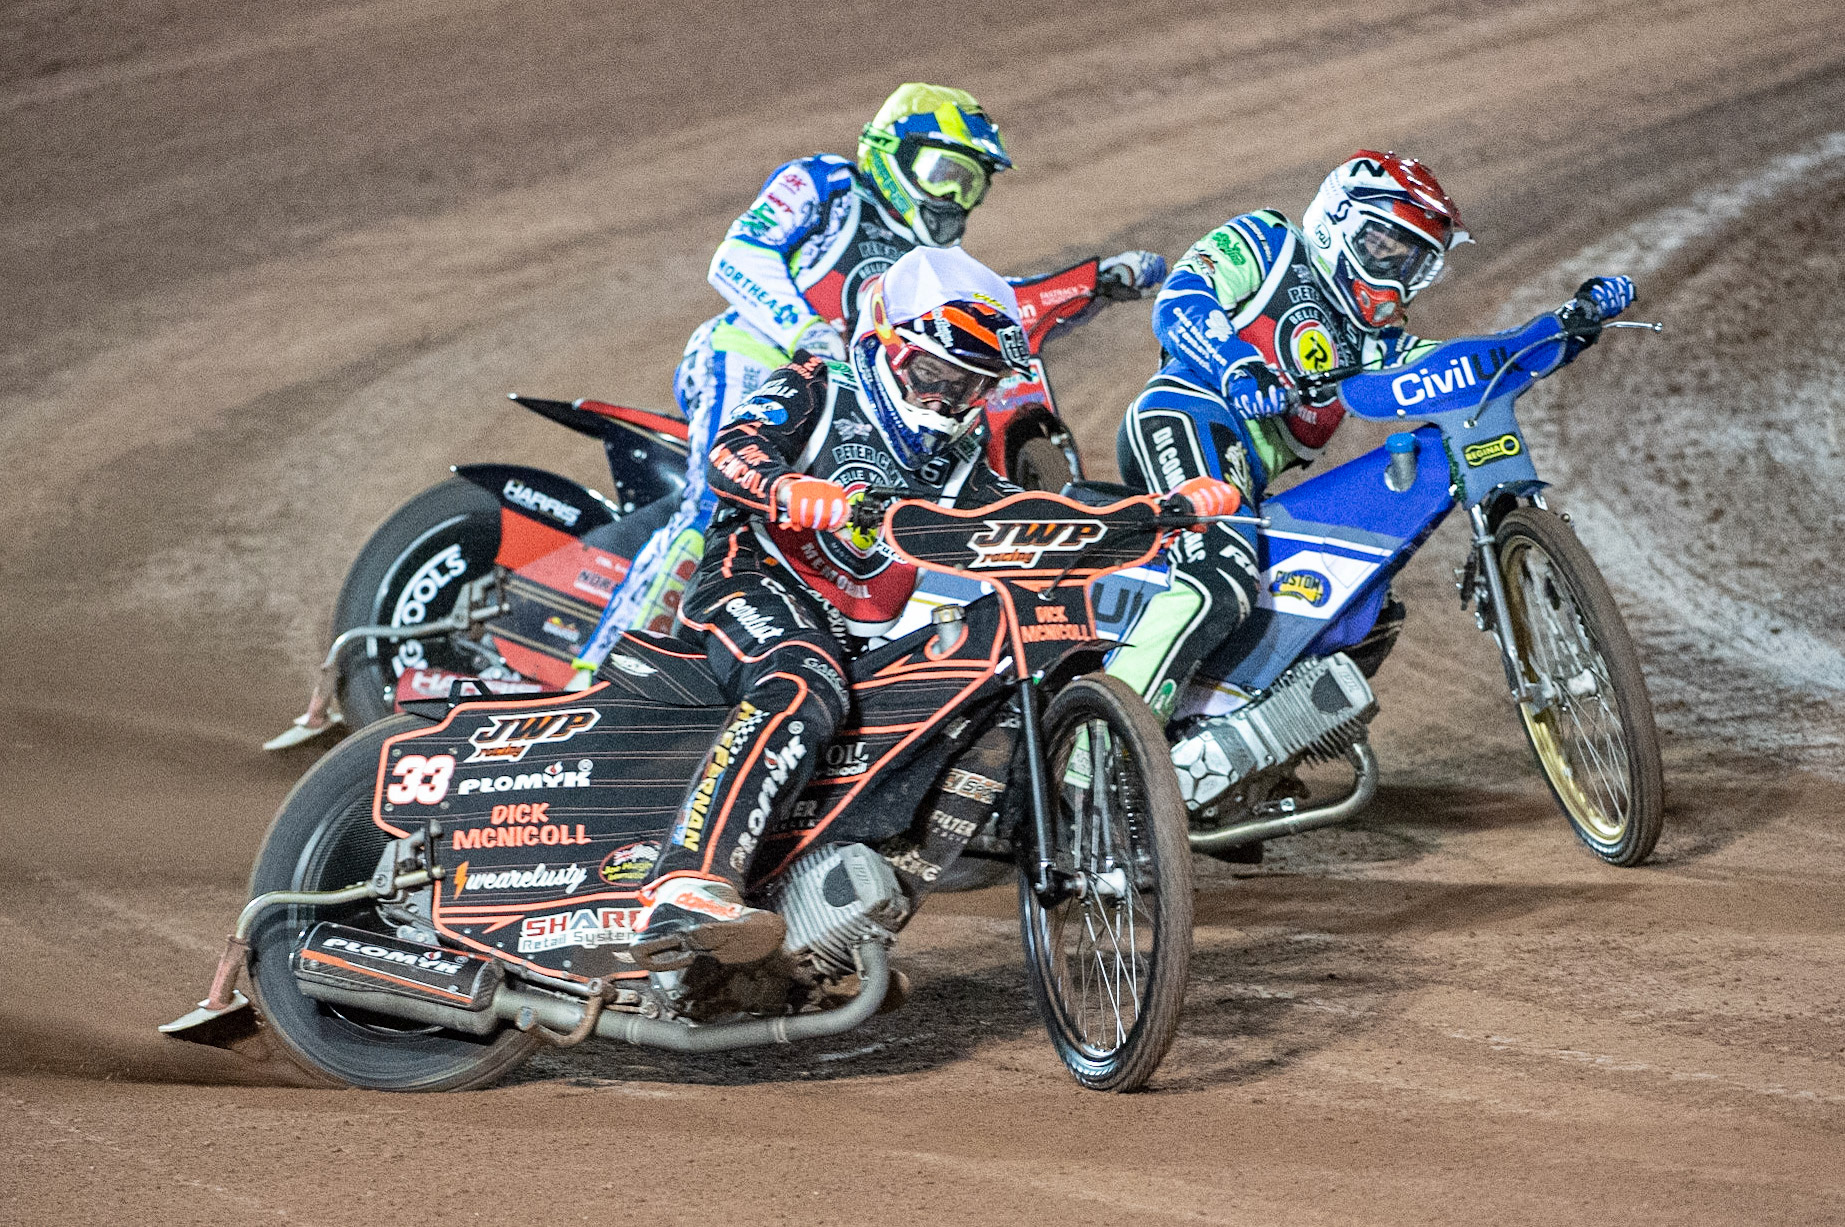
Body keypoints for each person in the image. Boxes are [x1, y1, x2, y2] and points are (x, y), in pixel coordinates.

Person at [626, 245, 1225, 969]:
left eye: (971, 386)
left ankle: (838, 912)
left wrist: (1155, 516)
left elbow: (1019, 517)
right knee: (802, 678)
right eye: (935, 376)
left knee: (964, 685)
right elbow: (730, 453)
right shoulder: (817, 383)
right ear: (885, 344)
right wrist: (791, 490)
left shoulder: (957, 455)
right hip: (750, 582)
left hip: (854, 628)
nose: (947, 400)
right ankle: (688, 881)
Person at [566, 83, 1167, 687]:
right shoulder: (827, 183)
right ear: (892, 150)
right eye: (944, 172)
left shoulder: (930, 259)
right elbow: (738, 257)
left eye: (972, 184)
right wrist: (805, 330)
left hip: (852, 396)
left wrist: (1093, 282)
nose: (955, 197)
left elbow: (999, 312)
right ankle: (598, 670)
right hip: (751, 351)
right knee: (711, 500)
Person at [1109, 149, 1636, 717]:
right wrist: (1238, 364)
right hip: (1185, 414)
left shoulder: (1373, 344)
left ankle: (1231, 743)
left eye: (1412, 263)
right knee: (1219, 575)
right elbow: (1183, 297)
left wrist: (1562, 328)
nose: (1394, 275)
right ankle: (1096, 753)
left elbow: (1466, 369)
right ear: (1338, 221)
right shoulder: (1268, 241)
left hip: (1250, 482)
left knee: (1357, 608)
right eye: (1384, 248)